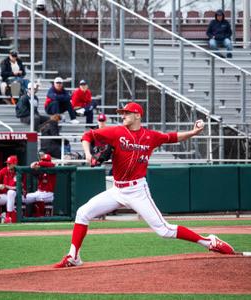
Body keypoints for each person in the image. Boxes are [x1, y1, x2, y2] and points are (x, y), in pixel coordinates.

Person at [54, 102, 235, 268]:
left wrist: (193, 132)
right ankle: (74, 256)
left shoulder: (151, 136)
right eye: (122, 113)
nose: (123, 115)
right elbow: (88, 135)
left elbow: (172, 137)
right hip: (117, 190)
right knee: (82, 213)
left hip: (137, 190)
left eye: (126, 113)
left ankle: (209, 241)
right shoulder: (116, 132)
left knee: (164, 230)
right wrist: (87, 154)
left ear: (138, 115)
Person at [0, 155, 23, 223]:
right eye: (7, 163)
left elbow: (19, 187)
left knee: (11, 192)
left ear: (15, 163)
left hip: (17, 195)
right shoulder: (5, 170)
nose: (8, 164)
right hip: (6, 195)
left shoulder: (19, 171)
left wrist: (5, 186)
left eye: (9, 163)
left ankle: (8, 216)